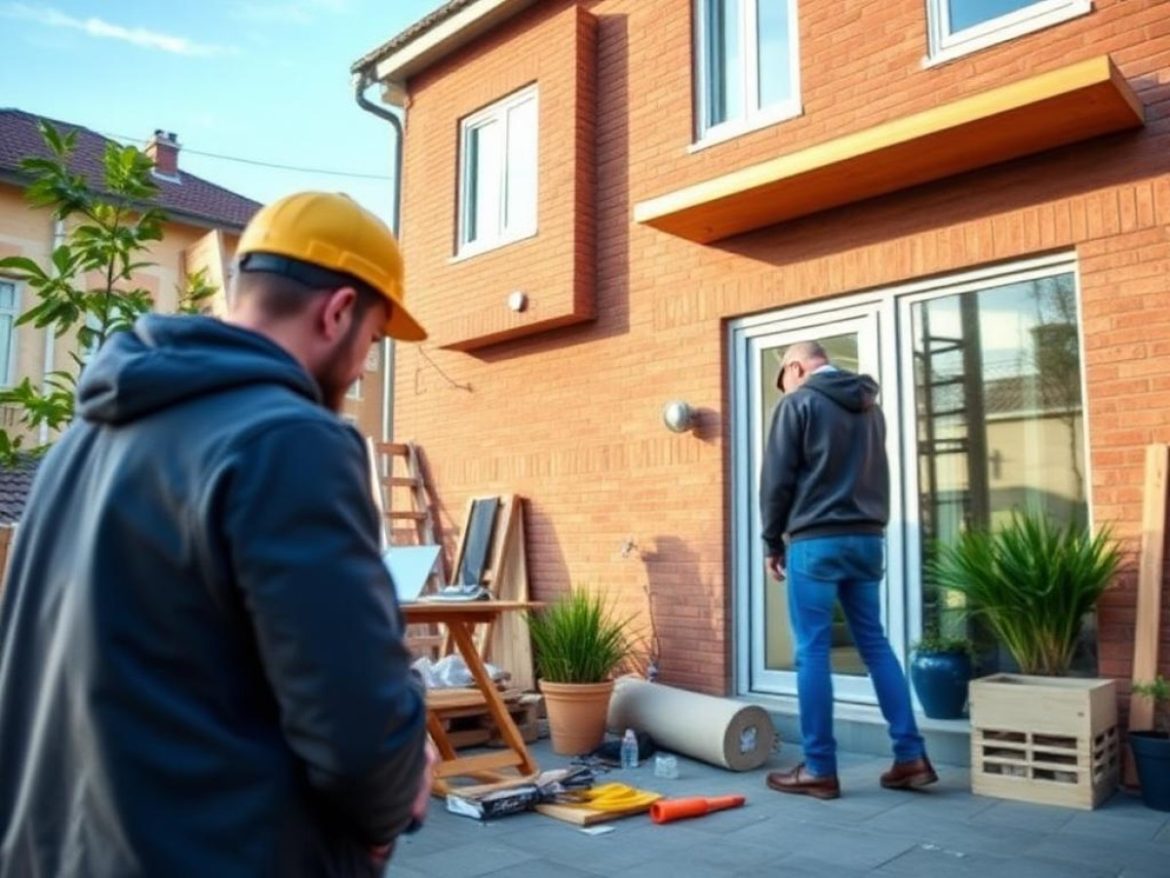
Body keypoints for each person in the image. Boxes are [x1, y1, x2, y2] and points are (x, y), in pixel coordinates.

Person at [0, 191, 437, 876]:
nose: (360, 369)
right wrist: (394, 792)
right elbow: (359, 729)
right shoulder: (289, 441)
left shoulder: (79, 445)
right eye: (373, 341)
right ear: (338, 312)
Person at [759, 340, 936, 800]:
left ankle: (819, 768)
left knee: (812, 651)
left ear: (796, 368)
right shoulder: (869, 408)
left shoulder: (798, 404)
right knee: (875, 645)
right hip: (867, 539)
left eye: (783, 380)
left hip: (817, 541)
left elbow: (776, 479)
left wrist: (771, 541)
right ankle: (911, 756)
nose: (785, 389)